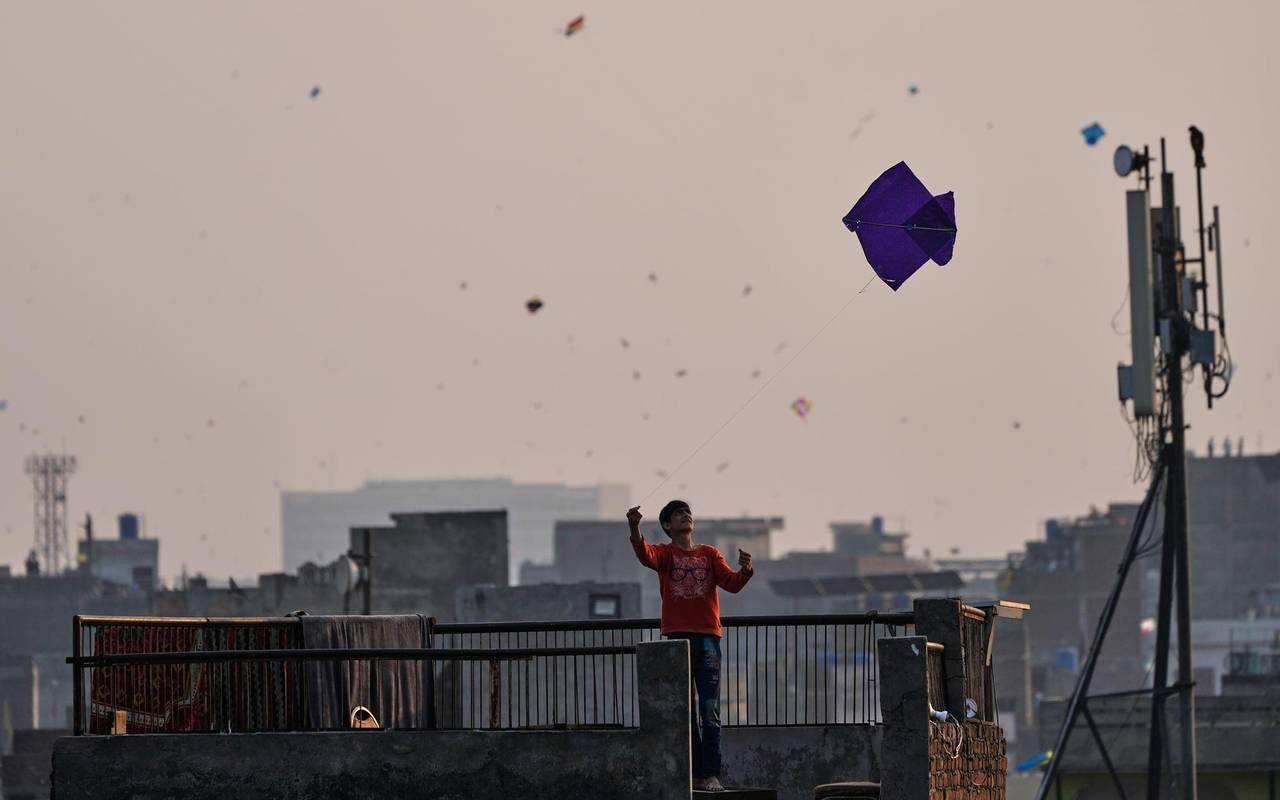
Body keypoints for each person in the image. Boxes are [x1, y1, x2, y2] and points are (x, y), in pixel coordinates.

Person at [628, 500, 754, 793]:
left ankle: (710, 774)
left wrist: (746, 570)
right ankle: (694, 774)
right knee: (685, 711)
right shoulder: (665, 553)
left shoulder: (709, 554)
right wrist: (634, 526)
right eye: (677, 514)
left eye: (687, 512)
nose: (685, 516)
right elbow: (645, 555)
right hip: (677, 639)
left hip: (708, 637)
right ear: (668, 526)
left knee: (710, 712)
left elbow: (732, 584)